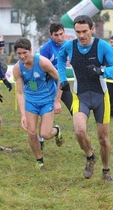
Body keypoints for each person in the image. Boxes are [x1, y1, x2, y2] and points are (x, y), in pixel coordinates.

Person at [57, 15, 113, 184]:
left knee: (103, 139)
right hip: (80, 96)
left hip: (101, 97)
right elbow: (59, 59)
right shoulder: (69, 46)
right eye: (78, 32)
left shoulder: (101, 46)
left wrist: (103, 71)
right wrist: (62, 78)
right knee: (79, 131)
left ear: (92, 30)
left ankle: (106, 170)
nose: (81, 36)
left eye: (85, 31)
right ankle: (90, 157)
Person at [12, 37, 64, 169]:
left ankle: (56, 130)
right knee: (31, 133)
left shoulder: (42, 62)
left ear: (30, 50)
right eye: (19, 54)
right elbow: (20, 93)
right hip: (31, 101)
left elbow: (60, 79)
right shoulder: (17, 68)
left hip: (47, 101)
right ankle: (39, 160)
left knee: (45, 134)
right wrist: (23, 114)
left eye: (25, 53)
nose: (22, 56)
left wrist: (57, 101)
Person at [38, 22, 73, 150]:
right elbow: (43, 69)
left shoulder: (68, 45)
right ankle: (40, 139)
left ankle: (84, 140)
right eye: (56, 35)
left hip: (63, 83)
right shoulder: (46, 48)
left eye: (61, 34)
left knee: (76, 111)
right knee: (44, 112)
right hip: (49, 84)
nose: (59, 37)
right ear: (50, 35)